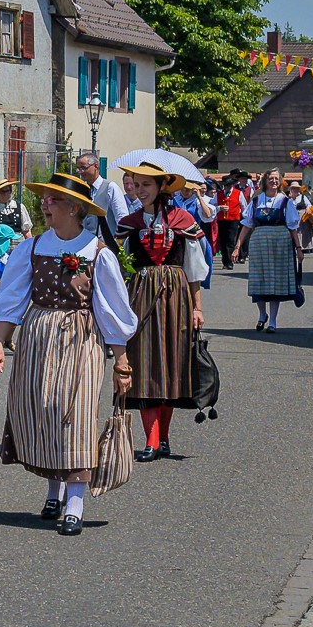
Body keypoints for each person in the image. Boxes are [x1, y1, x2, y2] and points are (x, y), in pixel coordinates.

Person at [0, 172, 136, 536]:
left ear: (74, 208)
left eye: (52, 200)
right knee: (43, 410)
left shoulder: (97, 252)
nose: (44, 205)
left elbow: (111, 309)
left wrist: (122, 361)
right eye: (46, 199)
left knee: (77, 413)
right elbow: (11, 299)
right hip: (38, 336)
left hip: (80, 338)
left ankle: (75, 502)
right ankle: (54, 491)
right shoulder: (32, 247)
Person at [116, 163, 210, 461]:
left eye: (146, 184)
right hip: (141, 295)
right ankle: (151, 440)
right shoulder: (129, 223)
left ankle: (164, 438)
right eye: (136, 184)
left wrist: (197, 307)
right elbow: (120, 267)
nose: (140, 190)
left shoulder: (182, 220)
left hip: (175, 295)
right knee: (143, 364)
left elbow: (194, 270)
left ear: (161, 187)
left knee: (170, 364)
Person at [234, 168, 303, 332]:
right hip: (259, 245)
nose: (274, 181)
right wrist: (237, 247)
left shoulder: (285, 202)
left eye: (276, 179)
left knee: (275, 283)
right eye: (271, 178)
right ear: (265, 181)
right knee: (259, 280)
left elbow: (293, 227)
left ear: (280, 182)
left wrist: (299, 248)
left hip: (281, 245)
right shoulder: (257, 201)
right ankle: (262, 314)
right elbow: (246, 225)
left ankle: (272, 321)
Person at [171, 178, 217, 291]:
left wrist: (199, 197)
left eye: (188, 189)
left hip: (193, 235)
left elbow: (207, 215)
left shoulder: (197, 201)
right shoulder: (174, 200)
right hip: (177, 235)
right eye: (183, 189)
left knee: (205, 252)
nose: (186, 191)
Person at [74, 153, 123, 244]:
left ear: (95, 166)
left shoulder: (110, 187)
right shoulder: (82, 190)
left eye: (84, 168)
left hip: (107, 246)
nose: (80, 172)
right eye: (79, 168)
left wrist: (119, 245)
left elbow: (122, 219)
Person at [216, 172, 248, 269]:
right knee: (222, 241)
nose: (227, 187)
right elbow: (211, 206)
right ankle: (225, 260)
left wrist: (245, 219)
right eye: (226, 185)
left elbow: (244, 206)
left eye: (229, 185)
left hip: (233, 220)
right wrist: (219, 208)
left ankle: (229, 262)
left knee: (230, 241)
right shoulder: (218, 194)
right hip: (221, 220)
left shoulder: (238, 193)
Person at [287, 180, 313, 254]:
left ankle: (305, 247)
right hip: (293, 218)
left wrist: (308, 209)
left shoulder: (303, 197)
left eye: (296, 188)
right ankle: (296, 247)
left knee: (303, 232)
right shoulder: (289, 200)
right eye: (293, 188)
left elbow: (309, 205)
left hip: (303, 219)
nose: (295, 190)